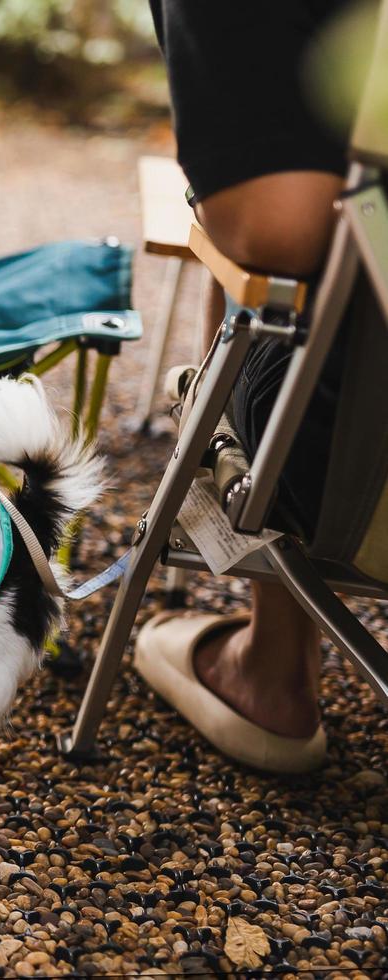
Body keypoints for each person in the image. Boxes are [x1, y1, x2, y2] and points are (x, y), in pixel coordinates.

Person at [131, 0, 360, 773]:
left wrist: (209, 194)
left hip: (362, 462)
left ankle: (273, 670)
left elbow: (279, 229)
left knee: (258, 254)